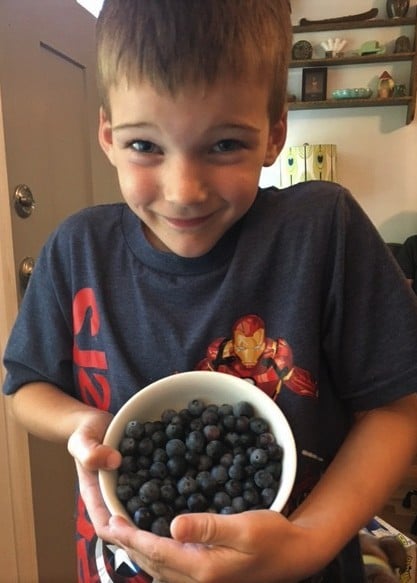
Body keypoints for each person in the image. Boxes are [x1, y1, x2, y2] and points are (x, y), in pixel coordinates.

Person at [3, 1, 417, 582]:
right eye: (145, 145)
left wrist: (303, 545)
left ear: (275, 133)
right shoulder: (77, 250)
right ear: (106, 133)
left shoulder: (324, 232)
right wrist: (80, 423)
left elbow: (398, 410)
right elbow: (25, 386)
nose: (184, 191)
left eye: (224, 145)